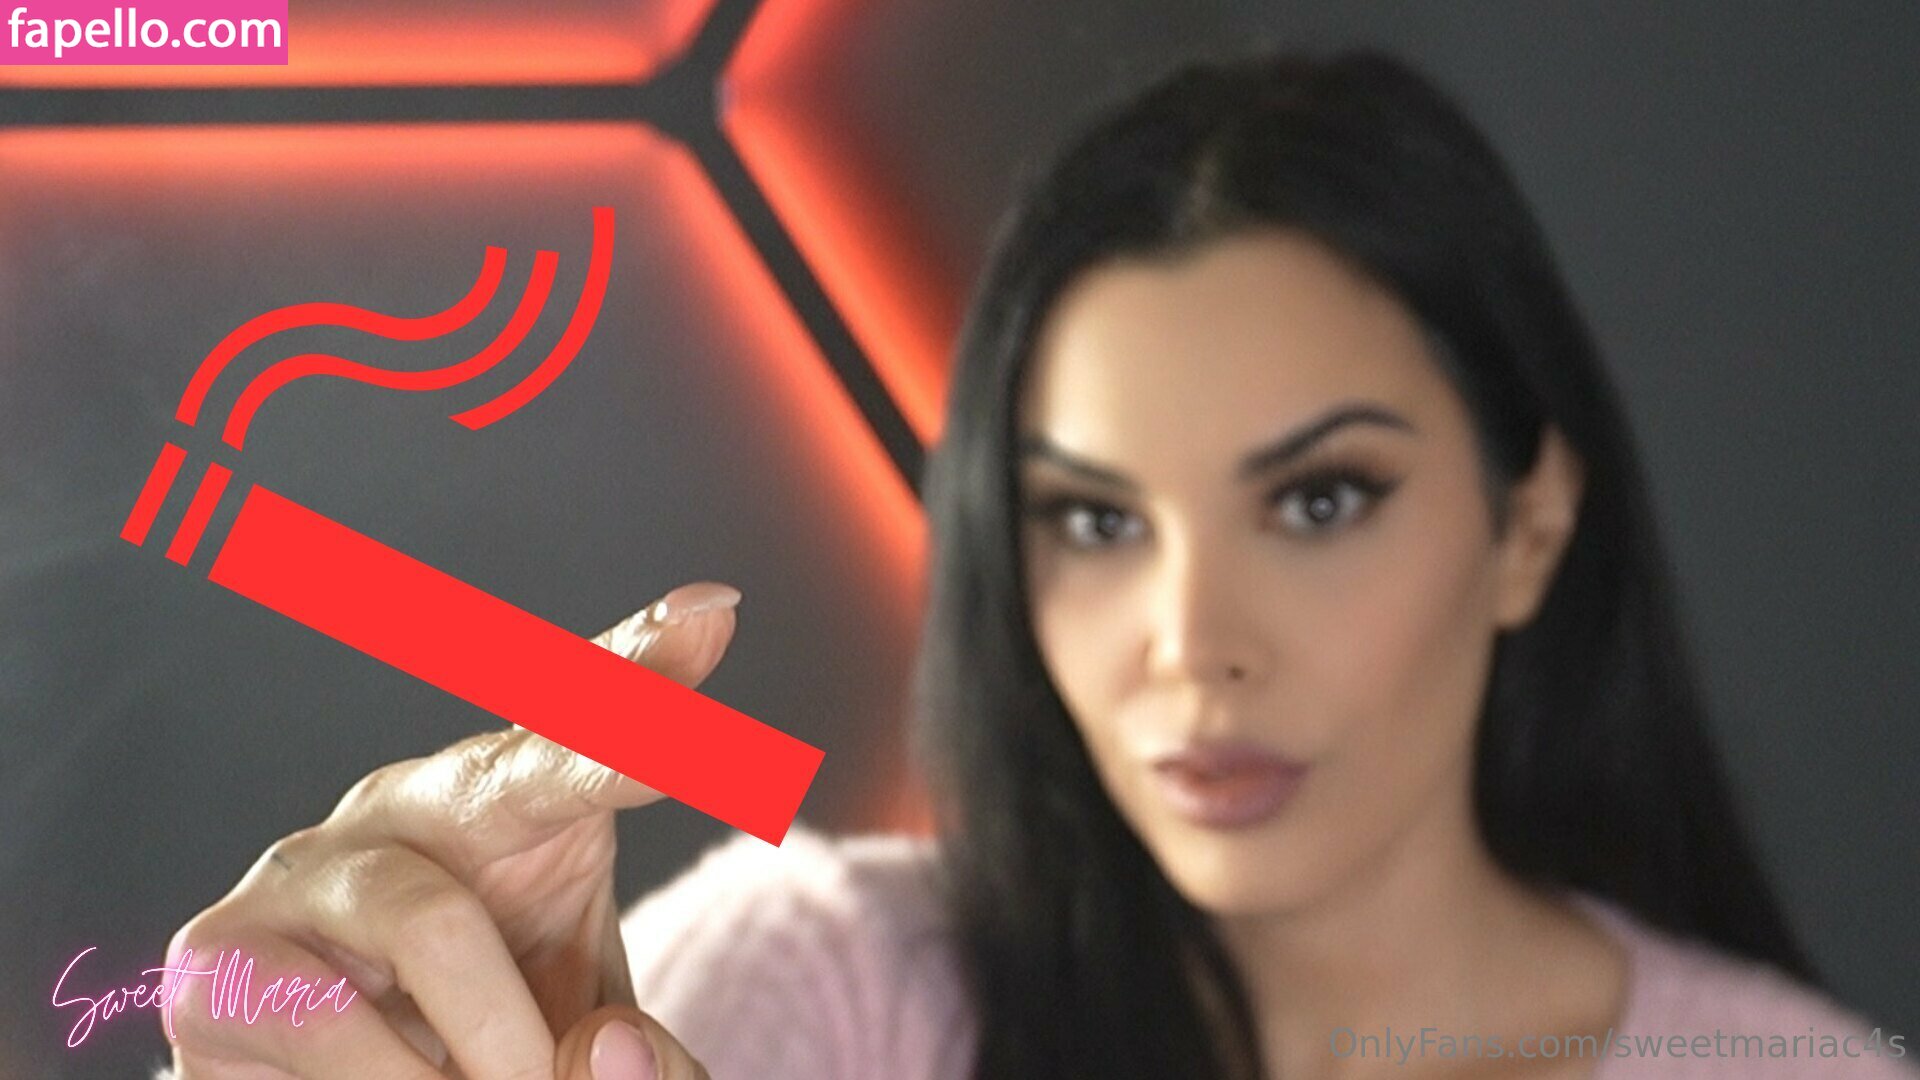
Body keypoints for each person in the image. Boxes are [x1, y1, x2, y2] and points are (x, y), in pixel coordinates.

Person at [154, 49, 1913, 1080]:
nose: (1189, 645)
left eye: (1319, 503)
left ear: (1529, 525)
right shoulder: (825, 989)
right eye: (1096, 520)